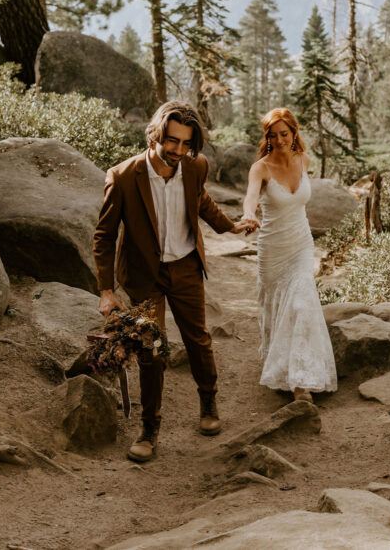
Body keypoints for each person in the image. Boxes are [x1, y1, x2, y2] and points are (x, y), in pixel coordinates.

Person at [93, 101, 257, 462]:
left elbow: (200, 201)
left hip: (184, 266)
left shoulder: (195, 166)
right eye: (173, 142)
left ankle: (208, 402)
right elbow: (104, 235)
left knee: (198, 339)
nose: (179, 151)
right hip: (143, 275)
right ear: (156, 135)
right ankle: (150, 429)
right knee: (152, 351)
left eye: (186, 144)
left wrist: (229, 225)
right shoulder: (122, 177)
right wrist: (106, 290)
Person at [240, 108, 337, 403]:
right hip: (273, 249)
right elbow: (251, 198)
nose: (280, 140)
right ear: (267, 137)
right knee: (278, 307)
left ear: (294, 133)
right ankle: (280, 365)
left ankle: (301, 382)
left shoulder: (304, 160)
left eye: (285, 133)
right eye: (274, 135)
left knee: (301, 302)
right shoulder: (261, 167)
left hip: (302, 244)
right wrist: (247, 215)